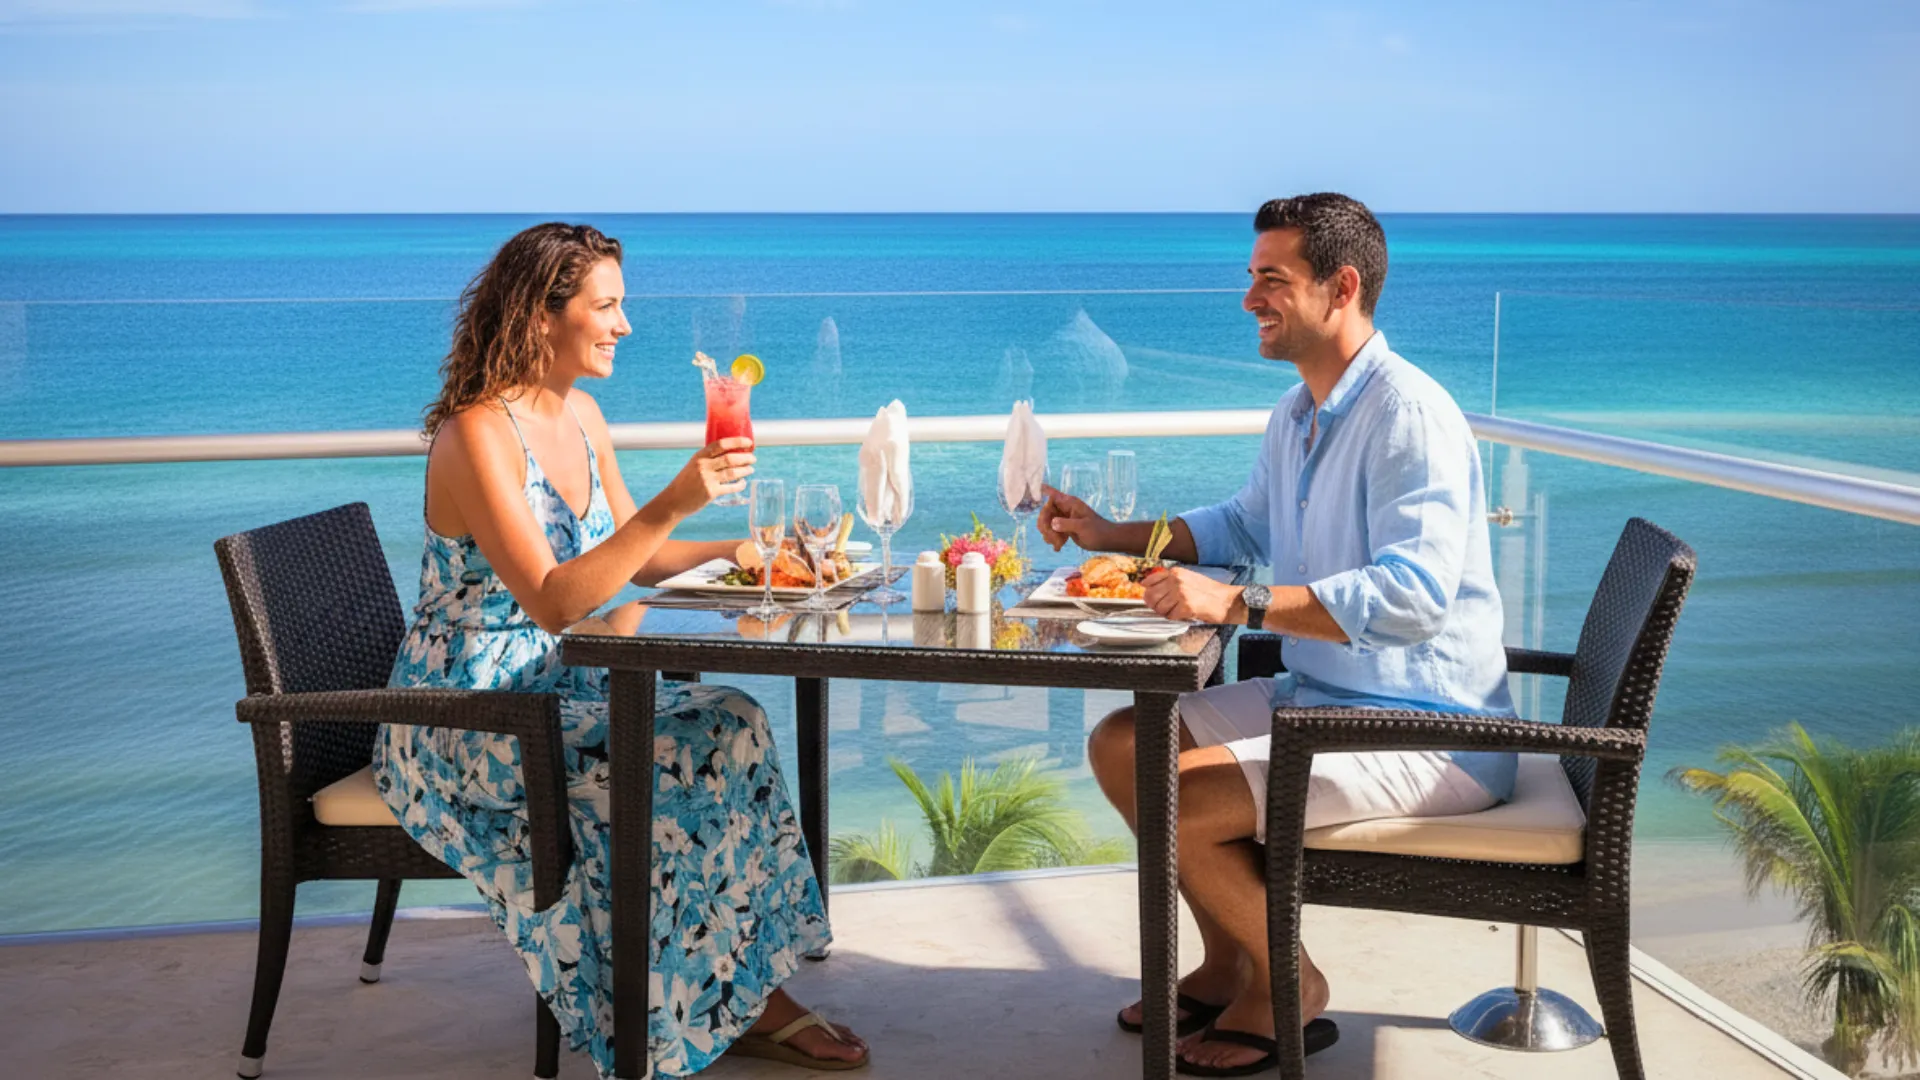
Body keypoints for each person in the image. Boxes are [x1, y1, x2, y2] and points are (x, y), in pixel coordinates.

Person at [372, 222, 868, 1077]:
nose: (624, 326)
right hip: (466, 717)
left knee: (732, 721)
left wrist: (738, 550)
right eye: (605, 306)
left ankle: (739, 989)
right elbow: (558, 598)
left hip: (557, 686)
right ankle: (679, 1015)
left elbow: (623, 555)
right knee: (666, 758)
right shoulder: (476, 435)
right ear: (540, 316)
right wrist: (676, 501)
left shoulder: (583, 414)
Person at [1040, 194, 1516, 1076]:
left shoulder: (1407, 416)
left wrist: (1236, 607)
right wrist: (1110, 534)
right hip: (1327, 692)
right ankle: (1229, 961)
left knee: (1173, 795)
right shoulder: (1299, 412)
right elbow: (1242, 526)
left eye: (1272, 280)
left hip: (1430, 727)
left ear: (1341, 288)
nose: (1250, 298)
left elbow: (1414, 598)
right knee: (1124, 745)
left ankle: (1290, 982)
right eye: (1250, 278)